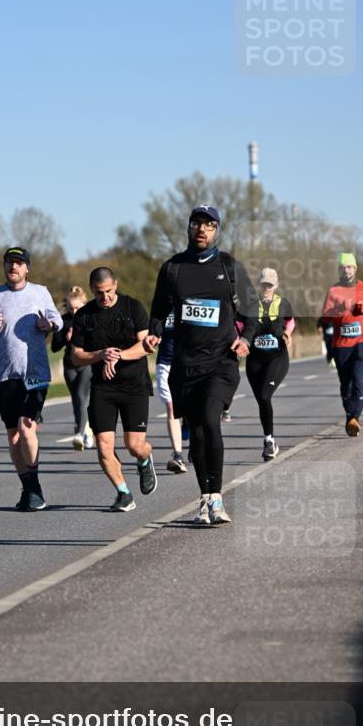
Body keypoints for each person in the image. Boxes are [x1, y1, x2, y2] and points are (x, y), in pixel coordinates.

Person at [144, 205, 258, 525]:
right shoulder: (173, 269)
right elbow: (157, 310)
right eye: (197, 224)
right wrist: (153, 334)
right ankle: (204, 498)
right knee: (196, 432)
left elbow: (250, 311)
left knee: (210, 419)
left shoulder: (229, 266)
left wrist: (246, 339)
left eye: (209, 225)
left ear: (217, 230)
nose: (202, 230)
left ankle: (218, 498)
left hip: (221, 361)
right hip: (184, 365)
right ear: (189, 228)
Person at [0, 246, 62, 511]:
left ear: (27, 268)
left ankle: (34, 487)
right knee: (14, 436)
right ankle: (28, 487)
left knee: (26, 426)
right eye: (9, 263)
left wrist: (48, 325)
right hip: (6, 375)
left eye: (18, 263)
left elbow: (57, 319)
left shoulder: (40, 292)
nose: (13, 267)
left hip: (35, 372)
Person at [71, 266, 157, 511]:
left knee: (134, 446)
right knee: (103, 446)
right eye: (99, 293)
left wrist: (117, 356)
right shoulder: (84, 315)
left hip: (134, 386)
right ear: (91, 291)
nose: (105, 297)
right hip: (103, 389)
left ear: (115, 285)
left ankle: (144, 460)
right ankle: (124, 494)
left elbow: (146, 347)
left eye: (108, 291)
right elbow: (76, 357)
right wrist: (100, 354)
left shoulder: (133, 307)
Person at [320, 253, 363, 437]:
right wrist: (337, 310)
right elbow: (325, 317)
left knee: (358, 378)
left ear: (355, 268)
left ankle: (355, 418)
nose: (347, 270)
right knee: (345, 384)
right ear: (339, 270)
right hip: (341, 343)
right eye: (343, 267)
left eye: (350, 267)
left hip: (361, 340)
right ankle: (349, 416)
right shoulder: (333, 290)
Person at [246, 268, 294, 461]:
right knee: (262, 401)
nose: (266, 287)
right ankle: (271, 441)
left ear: (276, 286)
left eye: (270, 284)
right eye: (264, 284)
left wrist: (288, 333)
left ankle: (268, 440)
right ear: (259, 284)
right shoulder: (250, 305)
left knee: (265, 395)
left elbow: (290, 321)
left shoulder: (284, 304)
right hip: (254, 360)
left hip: (277, 358)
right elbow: (239, 326)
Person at [51, 286, 93, 451]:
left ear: (84, 304)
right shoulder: (63, 320)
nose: (74, 311)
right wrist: (66, 339)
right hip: (69, 364)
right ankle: (86, 431)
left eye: (77, 308)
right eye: (71, 308)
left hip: (86, 363)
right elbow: (54, 347)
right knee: (76, 400)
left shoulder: (90, 318)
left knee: (81, 398)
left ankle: (79, 433)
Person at [154, 313, 187, 473]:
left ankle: (189, 427)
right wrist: (153, 336)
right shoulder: (162, 306)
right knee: (171, 409)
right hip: (165, 362)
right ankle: (178, 456)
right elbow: (153, 329)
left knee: (192, 407)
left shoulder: (193, 301)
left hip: (189, 362)